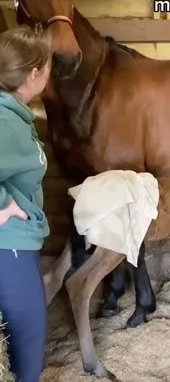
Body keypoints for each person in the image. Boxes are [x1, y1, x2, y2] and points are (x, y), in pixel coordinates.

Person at [0, 25, 51, 382]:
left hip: (18, 239)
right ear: (33, 74)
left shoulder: (14, 112)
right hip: (9, 243)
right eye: (47, 68)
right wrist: (3, 206)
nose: (50, 74)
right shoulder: (5, 122)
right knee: (28, 331)